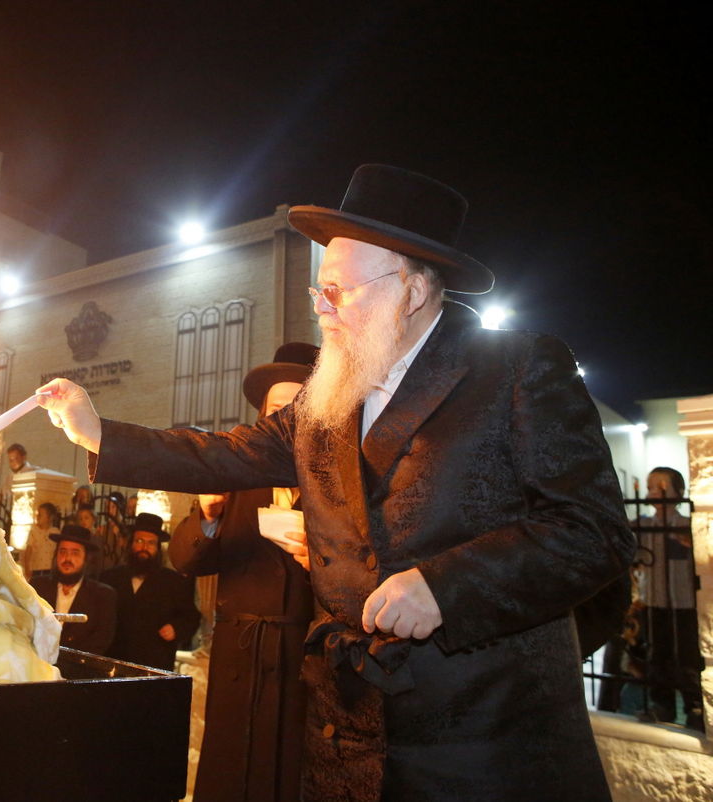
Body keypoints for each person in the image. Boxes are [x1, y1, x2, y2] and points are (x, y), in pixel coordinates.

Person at [39, 164, 635, 801]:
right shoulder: (332, 393)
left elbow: (592, 532)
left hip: (485, 736)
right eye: (318, 290)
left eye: (340, 291)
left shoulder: (515, 369)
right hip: (346, 732)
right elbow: (226, 454)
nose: (322, 307)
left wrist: (446, 587)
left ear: (410, 290)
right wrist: (98, 433)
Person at [169, 342, 318, 802]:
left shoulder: (333, 482)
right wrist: (208, 513)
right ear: (262, 416)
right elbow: (187, 561)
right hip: (239, 651)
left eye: (300, 406)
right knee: (231, 764)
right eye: (279, 408)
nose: (288, 417)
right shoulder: (237, 474)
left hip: (302, 651)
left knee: (290, 769)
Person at [636, 466, 702, 730]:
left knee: (687, 654)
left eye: (660, 487)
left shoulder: (687, 525)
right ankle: (661, 705)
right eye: (650, 487)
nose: (653, 492)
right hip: (654, 598)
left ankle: (694, 706)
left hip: (684, 601)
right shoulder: (644, 525)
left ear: (678, 492)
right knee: (657, 653)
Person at [101, 513, 201, 671]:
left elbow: (191, 617)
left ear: (158, 548)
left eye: (151, 543)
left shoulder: (173, 582)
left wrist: (176, 629)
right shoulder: (110, 577)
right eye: (139, 541)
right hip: (114, 661)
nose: (144, 547)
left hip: (154, 663)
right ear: (131, 544)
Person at [30, 524, 117, 656]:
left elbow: (101, 641)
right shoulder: (38, 587)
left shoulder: (103, 595)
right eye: (63, 552)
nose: (67, 559)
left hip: (79, 670)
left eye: (75, 553)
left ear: (86, 558)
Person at [20, 502, 60, 579]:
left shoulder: (56, 532)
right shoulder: (34, 532)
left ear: (50, 518)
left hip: (50, 570)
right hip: (36, 570)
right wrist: (27, 567)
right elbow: (28, 550)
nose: (37, 517)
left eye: (40, 515)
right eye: (37, 514)